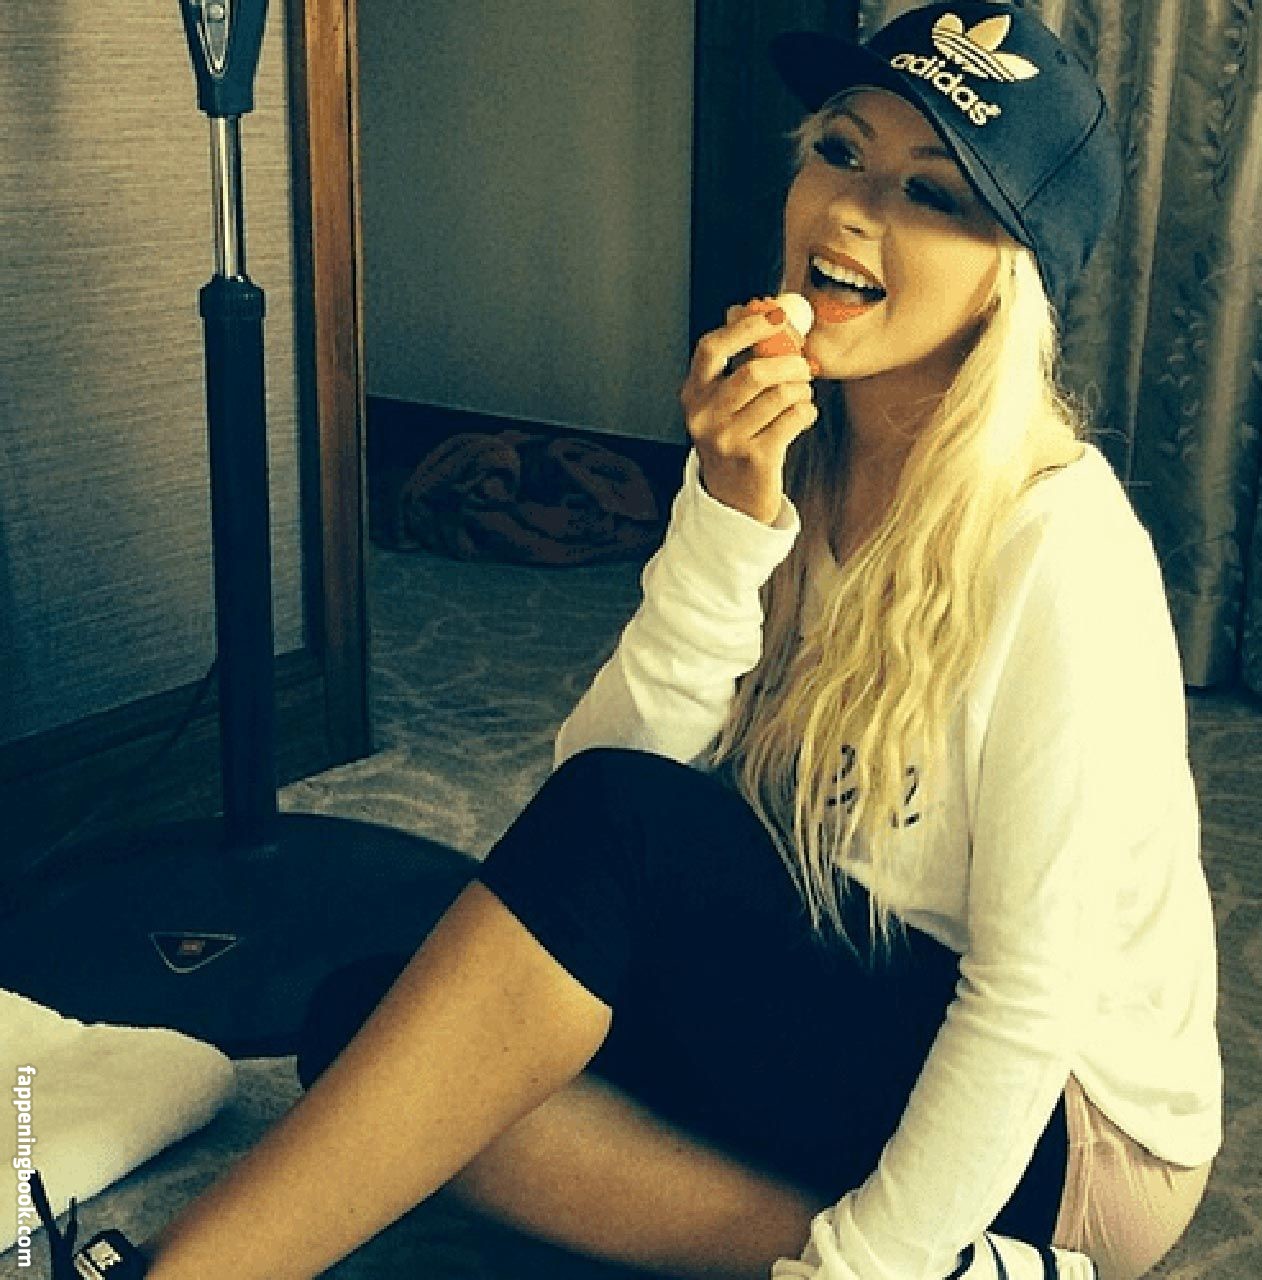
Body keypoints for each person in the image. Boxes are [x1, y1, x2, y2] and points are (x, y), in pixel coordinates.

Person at [104, 4, 1221, 1280]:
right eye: (840, 151)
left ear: (1007, 278)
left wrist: (858, 1269)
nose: (852, 212)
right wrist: (726, 516)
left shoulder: (1058, 544)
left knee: (500, 986)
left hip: (1072, 1126)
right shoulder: (789, 453)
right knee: (371, 1032)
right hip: (846, 975)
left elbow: (1023, 995)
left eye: (931, 192)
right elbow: (600, 784)